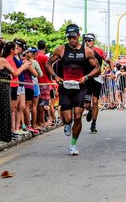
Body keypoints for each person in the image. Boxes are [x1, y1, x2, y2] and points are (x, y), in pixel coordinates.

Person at [44, 24, 100, 156]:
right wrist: (55, 76)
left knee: (78, 116)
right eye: (69, 37)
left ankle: (73, 145)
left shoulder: (87, 51)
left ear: (78, 36)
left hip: (80, 87)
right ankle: (67, 124)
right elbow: (48, 63)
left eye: (74, 37)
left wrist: (86, 77)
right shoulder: (61, 49)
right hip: (65, 87)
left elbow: (97, 68)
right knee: (68, 118)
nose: (71, 40)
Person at [82, 33, 111, 134]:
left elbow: (110, 61)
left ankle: (93, 124)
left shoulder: (99, 51)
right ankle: (90, 110)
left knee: (95, 101)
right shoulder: (83, 52)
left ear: (93, 41)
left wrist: (111, 72)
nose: (87, 42)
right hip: (87, 80)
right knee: (86, 104)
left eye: (89, 40)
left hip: (97, 79)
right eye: (86, 40)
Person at [0, 41, 16, 143]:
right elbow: (14, 73)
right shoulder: (2, 60)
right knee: (5, 111)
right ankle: (5, 134)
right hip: (3, 88)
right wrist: (24, 67)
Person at [35, 40, 56, 126]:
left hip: (36, 81)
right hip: (44, 81)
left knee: (37, 103)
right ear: (45, 47)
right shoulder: (44, 57)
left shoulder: (35, 56)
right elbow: (49, 69)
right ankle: (42, 121)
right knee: (44, 103)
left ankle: (39, 121)